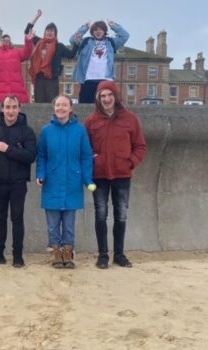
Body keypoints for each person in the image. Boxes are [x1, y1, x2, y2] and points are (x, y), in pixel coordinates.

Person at [85, 81, 146, 269]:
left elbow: (140, 146)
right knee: (101, 215)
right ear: (98, 99)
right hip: (100, 176)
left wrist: (130, 162)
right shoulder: (91, 121)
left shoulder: (130, 119)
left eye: (109, 95)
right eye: (102, 96)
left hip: (122, 175)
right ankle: (103, 255)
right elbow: (85, 149)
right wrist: (93, 160)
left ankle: (119, 254)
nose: (106, 99)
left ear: (116, 96)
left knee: (121, 216)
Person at [36, 95, 95, 268]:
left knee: (69, 223)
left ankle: (68, 252)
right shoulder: (46, 131)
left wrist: (87, 179)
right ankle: (55, 252)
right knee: (53, 224)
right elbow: (42, 156)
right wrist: (41, 174)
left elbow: (86, 156)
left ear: (70, 108)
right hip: (52, 182)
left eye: (64, 105)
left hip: (72, 182)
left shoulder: (80, 130)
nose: (60, 108)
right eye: (58, 105)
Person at [0, 95, 36, 267]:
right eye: (7, 107)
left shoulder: (27, 132)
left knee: (17, 218)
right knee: (0, 217)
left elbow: (30, 156)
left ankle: (17, 255)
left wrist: (8, 149)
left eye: (14, 107)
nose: (10, 111)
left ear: (19, 109)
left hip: (18, 184)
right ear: (2, 109)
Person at [69, 20, 129, 104]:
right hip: (88, 79)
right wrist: (84, 28)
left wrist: (114, 26)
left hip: (106, 79)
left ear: (104, 31)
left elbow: (125, 36)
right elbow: (72, 40)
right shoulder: (86, 42)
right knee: (85, 106)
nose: (98, 32)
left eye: (101, 29)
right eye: (95, 30)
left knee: (106, 106)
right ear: (92, 31)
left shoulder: (111, 42)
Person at [25, 9, 78, 103]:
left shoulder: (59, 46)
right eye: (48, 30)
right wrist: (36, 17)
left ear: (55, 34)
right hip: (39, 78)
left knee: (52, 103)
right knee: (39, 103)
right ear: (45, 32)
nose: (49, 32)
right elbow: (27, 31)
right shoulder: (39, 42)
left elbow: (71, 55)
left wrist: (76, 43)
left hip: (52, 79)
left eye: (52, 31)